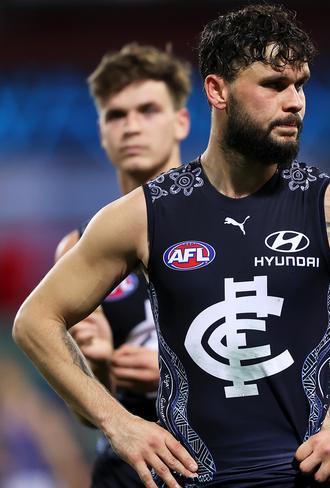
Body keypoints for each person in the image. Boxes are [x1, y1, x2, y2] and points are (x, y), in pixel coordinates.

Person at [12, 5, 330, 488]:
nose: (294, 102)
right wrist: (118, 422)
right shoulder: (144, 214)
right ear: (217, 90)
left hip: (302, 479)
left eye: (301, 84)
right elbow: (34, 321)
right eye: (274, 84)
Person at [53, 43, 192, 486]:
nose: (131, 126)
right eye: (116, 115)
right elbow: (86, 415)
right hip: (127, 468)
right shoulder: (78, 248)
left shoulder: (234, 223)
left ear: (181, 122)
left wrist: (179, 373)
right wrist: (97, 366)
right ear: (101, 132)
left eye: (148, 110)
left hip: (222, 458)